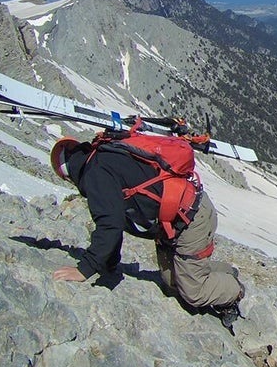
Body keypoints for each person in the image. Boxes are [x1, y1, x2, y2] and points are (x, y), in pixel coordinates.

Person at [49, 136, 245, 329]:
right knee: (171, 283)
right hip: (178, 218)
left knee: (193, 292)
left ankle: (234, 289)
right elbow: (116, 219)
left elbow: (110, 225)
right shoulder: (105, 156)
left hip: (191, 219)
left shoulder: (96, 175)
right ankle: (220, 270)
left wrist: (85, 269)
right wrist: (109, 263)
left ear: (69, 175)